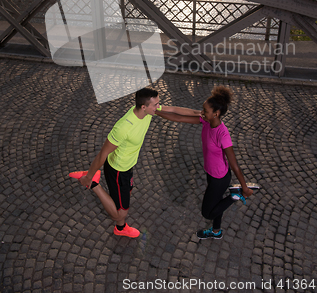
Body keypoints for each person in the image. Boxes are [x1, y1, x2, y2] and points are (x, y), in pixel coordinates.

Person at [70, 87, 201, 238]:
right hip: (117, 170)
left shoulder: (147, 111)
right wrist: (89, 175)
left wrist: (198, 114)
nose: (158, 106)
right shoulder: (123, 127)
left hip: (128, 167)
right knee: (120, 214)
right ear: (144, 107)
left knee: (126, 193)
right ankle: (94, 184)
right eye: (155, 104)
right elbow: (103, 154)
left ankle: (120, 223)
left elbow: (173, 111)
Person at [159, 85, 253, 239]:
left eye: (205, 111)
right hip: (211, 172)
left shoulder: (223, 135)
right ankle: (216, 232)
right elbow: (180, 117)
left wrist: (244, 188)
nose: (202, 113)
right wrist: (156, 112)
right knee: (216, 205)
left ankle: (235, 196)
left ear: (216, 114)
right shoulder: (206, 121)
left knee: (207, 212)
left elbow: (234, 164)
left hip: (220, 178)